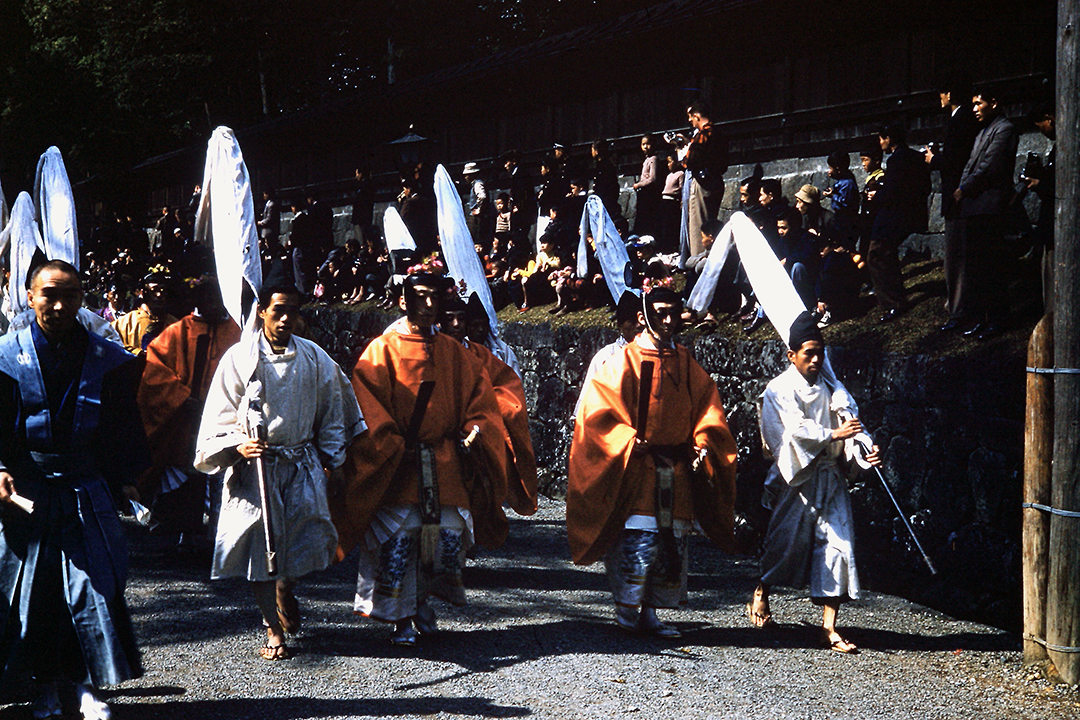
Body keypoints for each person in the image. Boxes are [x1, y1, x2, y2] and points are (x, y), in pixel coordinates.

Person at [0, 260, 148, 720]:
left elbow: (123, 426)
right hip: (27, 490)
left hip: (85, 488)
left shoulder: (107, 359)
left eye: (70, 295)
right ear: (30, 297)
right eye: (49, 294)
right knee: (35, 592)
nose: (60, 305)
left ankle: (85, 686)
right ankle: (43, 686)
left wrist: (126, 477)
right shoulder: (5, 356)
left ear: (83, 299)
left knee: (92, 588)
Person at [332, 268, 510, 646]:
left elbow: (480, 401)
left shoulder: (453, 352)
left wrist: (473, 431)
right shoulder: (382, 350)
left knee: (448, 537)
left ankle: (422, 602)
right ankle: (400, 617)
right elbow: (366, 406)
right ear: (403, 301)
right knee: (400, 539)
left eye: (435, 297)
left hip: (444, 459)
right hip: (398, 462)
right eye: (420, 297)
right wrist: (392, 444)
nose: (429, 305)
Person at [194, 282, 364, 660]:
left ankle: (285, 586)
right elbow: (220, 415)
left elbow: (333, 410)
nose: (285, 319)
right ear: (262, 312)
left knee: (302, 541)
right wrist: (237, 445)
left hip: (299, 463)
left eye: (292, 311)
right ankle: (272, 628)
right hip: (254, 469)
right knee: (260, 549)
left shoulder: (314, 357)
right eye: (278, 310)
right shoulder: (239, 359)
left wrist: (334, 461)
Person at [567, 285, 737, 637]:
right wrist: (627, 439)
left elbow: (707, 407)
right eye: (661, 313)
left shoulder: (685, 362)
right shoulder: (622, 361)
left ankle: (651, 611)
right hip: (638, 467)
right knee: (639, 543)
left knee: (669, 544)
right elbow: (597, 412)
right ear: (643, 316)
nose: (669, 320)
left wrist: (703, 441)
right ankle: (626, 608)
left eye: (674, 313)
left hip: (676, 466)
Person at [748, 311, 881, 654]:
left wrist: (865, 451)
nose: (816, 359)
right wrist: (834, 434)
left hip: (830, 475)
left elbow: (854, 428)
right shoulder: (778, 390)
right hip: (798, 476)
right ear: (791, 355)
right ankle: (763, 588)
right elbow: (793, 432)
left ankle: (828, 627)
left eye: (820, 353)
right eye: (809, 353)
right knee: (787, 544)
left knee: (838, 546)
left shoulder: (835, 390)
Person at [137, 276, 241, 551]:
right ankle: (183, 532)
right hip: (185, 420)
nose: (214, 304)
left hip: (225, 418)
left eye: (219, 299)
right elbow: (155, 370)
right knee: (185, 474)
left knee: (222, 477)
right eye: (209, 298)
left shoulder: (236, 332)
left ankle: (219, 539)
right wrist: (182, 397)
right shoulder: (177, 332)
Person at [954, 88, 1018, 340]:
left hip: (991, 204)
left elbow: (990, 166)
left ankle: (998, 318)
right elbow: (970, 164)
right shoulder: (982, 131)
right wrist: (963, 186)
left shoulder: (1005, 129)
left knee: (992, 266)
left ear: (994, 102)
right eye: (972, 104)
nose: (974, 109)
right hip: (975, 205)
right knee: (976, 267)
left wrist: (964, 188)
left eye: (978, 103)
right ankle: (981, 317)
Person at [925, 81, 979, 331]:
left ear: (949, 93)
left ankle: (959, 310)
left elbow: (955, 159)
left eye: (942, 93)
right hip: (959, 195)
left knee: (957, 256)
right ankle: (958, 305)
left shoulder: (961, 118)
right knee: (958, 255)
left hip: (958, 196)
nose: (940, 97)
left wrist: (934, 159)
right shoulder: (962, 118)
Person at [868, 124, 930, 323]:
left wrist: (877, 195)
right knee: (887, 256)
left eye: (881, 138)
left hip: (894, 215)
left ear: (889, 138)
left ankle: (893, 303)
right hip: (911, 213)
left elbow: (894, 192)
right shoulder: (915, 157)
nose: (880, 143)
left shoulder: (896, 160)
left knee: (877, 256)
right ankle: (896, 298)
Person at [572, 290, 642, 420]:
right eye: (631, 321)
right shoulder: (606, 357)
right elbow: (588, 401)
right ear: (619, 326)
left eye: (640, 320)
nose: (638, 325)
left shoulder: (656, 352)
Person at [111, 270, 177, 355]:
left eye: (163, 291)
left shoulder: (175, 325)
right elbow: (112, 349)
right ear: (143, 293)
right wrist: (138, 353)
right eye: (154, 290)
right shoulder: (122, 324)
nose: (159, 295)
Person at [632, 135, 663, 236]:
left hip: (649, 194)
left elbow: (652, 179)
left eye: (648, 144)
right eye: (643, 144)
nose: (645, 147)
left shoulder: (653, 160)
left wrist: (638, 185)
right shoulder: (647, 159)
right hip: (644, 194)